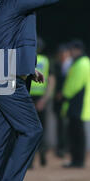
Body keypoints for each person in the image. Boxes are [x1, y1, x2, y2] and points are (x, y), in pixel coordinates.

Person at [0, 0, 90, 181]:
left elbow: (10, 41)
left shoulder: (6, 8)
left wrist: (29, 67)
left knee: (3, 140)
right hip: (6, 76)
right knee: (33, 130)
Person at [61, 40, 90, 168]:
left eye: (71, 50)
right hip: (77, 104)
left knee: (77, 134)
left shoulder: (82, 63)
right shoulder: (82, 62)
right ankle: (77, 160)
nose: (70, 52)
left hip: (77, 105)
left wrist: (64, 95)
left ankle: (78, 161)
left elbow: (74, 84)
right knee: (76, 133)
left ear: (77, 50)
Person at [29, 38, 55, 167]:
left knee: (29, 130)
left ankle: (30, 161)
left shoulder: (27, 58)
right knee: (41, 129)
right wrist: (45, 99)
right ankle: (43, 155)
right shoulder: (46, 61)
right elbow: (51, 81)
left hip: (29, 98)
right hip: (41, 100)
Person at [52, 43, 73, 158]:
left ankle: (66, 147)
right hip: (58, 99)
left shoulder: (71, 65)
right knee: (60, 124)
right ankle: (61, 147)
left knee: (67, 124)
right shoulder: (56, 65)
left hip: (66, 98)